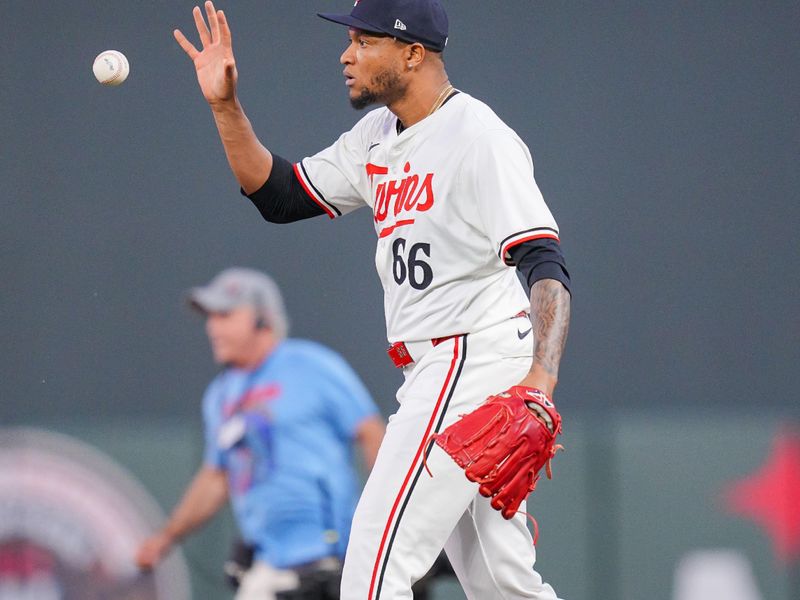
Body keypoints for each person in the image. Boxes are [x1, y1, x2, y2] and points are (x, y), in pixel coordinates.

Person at [173, 1, 572, 598]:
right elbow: (280, 196)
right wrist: (225, 106)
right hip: (436, 364)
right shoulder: (377, 135)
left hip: (470, 357)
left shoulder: (479, 137)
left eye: (365, 41)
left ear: (413, 53)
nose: (346, 54)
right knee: (501, 582)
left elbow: (546, 264)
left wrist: (542, 376)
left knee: (374, 561)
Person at [135, 267, 386, 600]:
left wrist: (387, 518)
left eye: (225, 315)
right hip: (267, 565)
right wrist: (166, 538)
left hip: (331, 561)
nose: (213, 327)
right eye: (210, 317)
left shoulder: (311, 366)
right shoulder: (220, 395)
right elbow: (215, 478)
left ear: (262, 319)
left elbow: (371, 432)